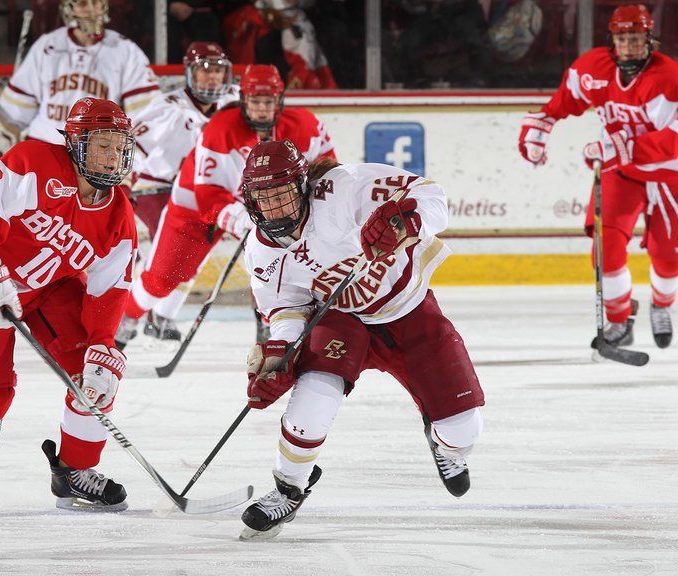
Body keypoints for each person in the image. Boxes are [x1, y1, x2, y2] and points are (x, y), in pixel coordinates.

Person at [235, 139, 485, 540]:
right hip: (342, 320)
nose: (277, 209)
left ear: (302, 187)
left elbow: (432, 196)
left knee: (464, 431)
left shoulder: (344, 187)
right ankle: (288, 488)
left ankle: (444, 446)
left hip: (409, 311)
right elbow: (286, 308)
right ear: (250, 201)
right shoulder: (261, 253)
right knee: (313, 398)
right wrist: (281, 352)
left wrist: (407, 222)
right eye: (265, 199)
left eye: (284, 195)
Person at [0, 97, 138, 512]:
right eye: (102, 145)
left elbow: (110, 289)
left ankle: (73, 471)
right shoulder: (33, 163)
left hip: (51, 291)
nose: (112, 156)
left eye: (119, 147)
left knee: (96, 375)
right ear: (76, 144)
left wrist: (102, 344)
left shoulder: (119, 214)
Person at [518, 4, 678, 349]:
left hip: (673, 174)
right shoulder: (593, 68)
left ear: (650, 40)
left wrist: (617, 148)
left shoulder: (670, 76)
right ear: (612, 40)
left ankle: (661, 306)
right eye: (622, 38)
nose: (629, 46)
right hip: (622, 171)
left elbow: (674, 142)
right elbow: (565, 101)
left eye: (636, 38)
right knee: (606, 248)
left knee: (669, 255)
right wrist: (542, 123)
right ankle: (620, 320)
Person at [114, 64, 335, 349]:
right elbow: (208, 197)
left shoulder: (306, 125)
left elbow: (327, 171)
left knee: (281, 268)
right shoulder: (221, 129)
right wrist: (243, 221)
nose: (262, 109)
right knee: (162, 280)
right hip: (196, 209)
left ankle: (275, 328)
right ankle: (126, 317)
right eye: (255, 101)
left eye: (268, 102)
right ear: (244, 100)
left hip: (267, 210)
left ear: (280, 100)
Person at [124, 41, 239, 341]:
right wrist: (120, 184)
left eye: (218, 71)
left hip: (208, 193)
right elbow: (132, 150)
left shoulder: (235, 104)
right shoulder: (167, 108)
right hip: (157, 189)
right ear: (189, 74)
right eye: (205, 71)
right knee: (171, 258)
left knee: (193, 259)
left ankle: (161, 317)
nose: (212, 78)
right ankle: (128, 316)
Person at [0, 0, 159, 172]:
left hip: (95, 159)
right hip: (43, 150)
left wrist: (134, 165)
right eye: (83, 3)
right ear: (69, 7)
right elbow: (15, 112)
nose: (92, 10)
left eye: (97, 3)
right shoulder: (47, 46)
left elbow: (146, 115)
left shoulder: (125, 50)